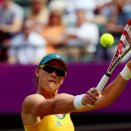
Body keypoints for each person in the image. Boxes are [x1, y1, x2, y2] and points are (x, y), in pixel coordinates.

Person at [22, 53, 131, 131]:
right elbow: (53, 107)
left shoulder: (64, 99)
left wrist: (128, 69)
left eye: (60, 72)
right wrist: (83, 100)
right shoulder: (32, 100)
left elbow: (106, 99)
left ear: (62, 80)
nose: (54, 74)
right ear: (37, 72)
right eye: (49, 69)